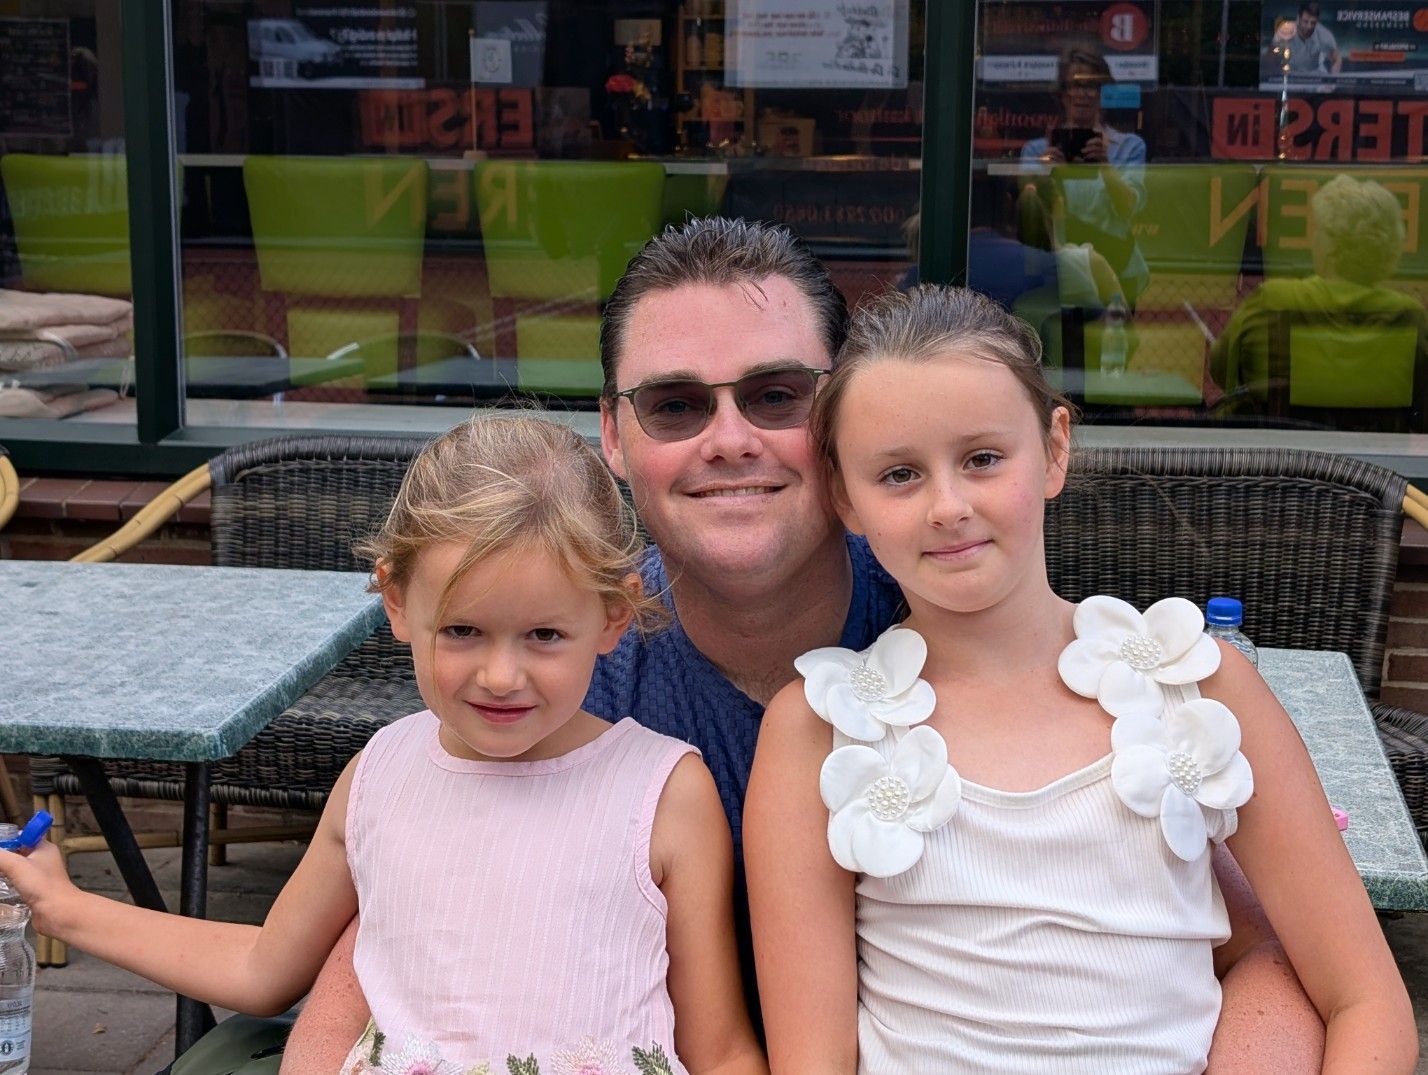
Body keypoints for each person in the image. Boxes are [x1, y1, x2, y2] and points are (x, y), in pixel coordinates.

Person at [189, 219, 1324, 1071]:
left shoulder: (967, 630)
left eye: (777, 394)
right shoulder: (556, 658)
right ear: (614, 435)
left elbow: (1253, 947)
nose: (730, 438)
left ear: (839, 429)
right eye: (675, 405)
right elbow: (405, 923)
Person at [744, 284, 1416, 1071]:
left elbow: (1364, 998)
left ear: (1054, 448)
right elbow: (812, 1059)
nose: (947, 505)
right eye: (899, 474)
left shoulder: (1201, 688)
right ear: (844, 496)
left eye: (982, 458)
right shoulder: (817, 730)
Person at [0, 416, 766, 1075]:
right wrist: (67, 907)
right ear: (396, 600)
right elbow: (265, 967)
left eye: (544, 634)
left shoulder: (663, 792)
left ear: (613, 616)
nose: (502, 675)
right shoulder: (380, 775)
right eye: (462, 630)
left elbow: (721, 1047)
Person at [1210, 173, 1428, 430]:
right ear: (1390, 248)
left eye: (1319, 231)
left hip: (1282, 452)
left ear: (1331, 243)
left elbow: (1222, 369)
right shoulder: (1410, 316)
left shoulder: (1273, 300)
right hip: (1377, 455)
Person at [1021, 47, 1148, 306]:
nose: (1082, 94)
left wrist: (1105, 166)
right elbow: (1026, 211)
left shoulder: (1129, 146)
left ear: (1102, 92)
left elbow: (1129, 209)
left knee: (1116, 333)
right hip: (1059, 270)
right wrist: (1045, 172)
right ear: (1062, 93)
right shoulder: (1036, 150)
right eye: (1074, 85)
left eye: (1091, 86)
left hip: (1117, 267)